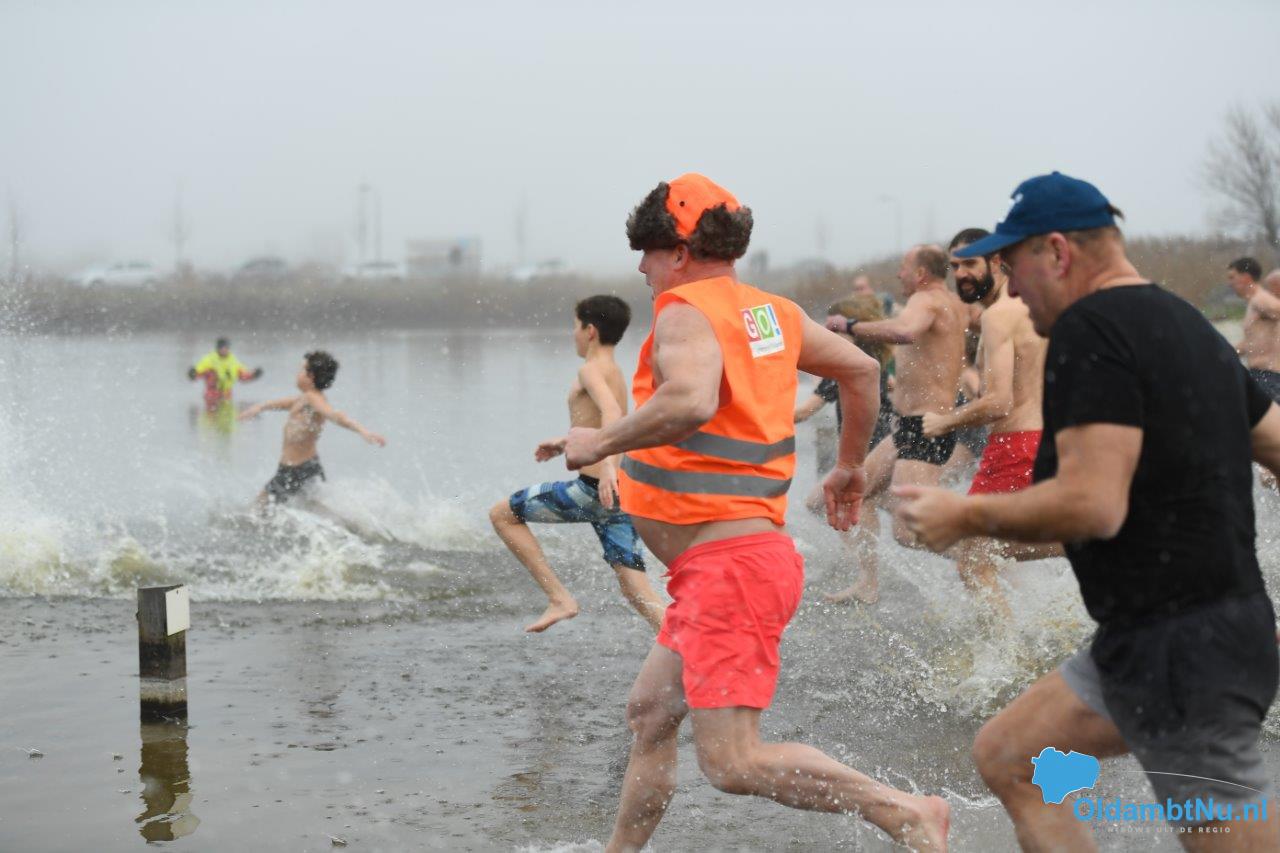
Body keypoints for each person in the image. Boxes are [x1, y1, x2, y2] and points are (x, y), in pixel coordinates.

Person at [563, 173, 949, 852]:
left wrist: (599, 441)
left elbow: (689, 399)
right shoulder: (769, 313)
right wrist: (850, 466)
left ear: (679, 250)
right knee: (651, 712)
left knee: (733, 761)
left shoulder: (684, 310)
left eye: (647, 252)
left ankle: (906, 811)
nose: (643, 268)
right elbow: (862, 371)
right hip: (726, 565)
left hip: (730, 568)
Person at [897, 172, 1280, 850]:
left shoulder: (1091, 328)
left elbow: (1093, 503)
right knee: (1008, 755)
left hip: (1181, 642)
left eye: (1013, 266)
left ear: (1056, 251)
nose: (1012, 290)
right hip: (1170, 631)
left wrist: (964, 517)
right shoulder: (1186, 322)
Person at [488, 296, 666, 634]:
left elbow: (613, 414)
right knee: (636, 590)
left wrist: (607, 467)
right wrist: (564, 442)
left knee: (502, 515)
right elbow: (607, 421)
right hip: (619, 494)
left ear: (590, 331)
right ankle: (686, 645)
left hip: (593, 489)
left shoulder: (590, 370)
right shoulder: (615, 372)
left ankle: (559, 598)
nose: (573, 334)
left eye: (575, 326)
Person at [917, 228, 1056, 613]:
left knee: (973, 560)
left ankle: (1005, 652)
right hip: (1042, 440)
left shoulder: (999, 316)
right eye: (955, 266)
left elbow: (998, 403)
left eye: (970, 264)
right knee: (983, 554)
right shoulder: (1033, 306)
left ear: (997, 262)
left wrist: (944, 422)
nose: (961, 274)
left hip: (1014, 446)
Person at [821, 244, 968, 604]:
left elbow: (905, 331)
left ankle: (978, 556)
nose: (899, 274)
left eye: (904, 267)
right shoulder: (951, 303)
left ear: (920, 273)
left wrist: (849, 325)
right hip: (908, 426)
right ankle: (868, 585)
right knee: (857, 492)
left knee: (907, 532)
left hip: (925, 427)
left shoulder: (926, 300)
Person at [238, 351, 386, 505]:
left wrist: (362, 431)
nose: (297, 374)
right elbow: (282, 403)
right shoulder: (304, 399)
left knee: (258, 510)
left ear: (310, 376)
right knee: (309, 510)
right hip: (304, 467)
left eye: (301, 370)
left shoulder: (313, 399)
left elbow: (334, 415)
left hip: (295, 470)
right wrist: (259, 407)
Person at [794, 294, 895, 475]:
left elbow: (804, 412)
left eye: (834, 330)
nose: (827, 336)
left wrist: (762, 421)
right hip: (884, 448)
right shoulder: (872, 362)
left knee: (820, 494)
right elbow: (891, 386)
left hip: (863, 456)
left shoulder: (844, 370)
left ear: (853, 332)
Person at [1229, 257, 1280, 402]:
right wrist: (1225, 353)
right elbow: (1251, 342)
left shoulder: (1260, 300)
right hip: (1261, 376)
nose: (1230, 283)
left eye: (1232, 277)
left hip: (1270, 378)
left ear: (1246, 278)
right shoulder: (1254, 302)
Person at [189, 337, 262, 411]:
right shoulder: (209, 360)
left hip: (227, 396)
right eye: (222, 347)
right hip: (211, 397)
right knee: (212, 415)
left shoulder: (233, 361)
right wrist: (192, 374)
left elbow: (243, 375)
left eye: (226, 347)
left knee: (230, 414)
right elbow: (198, 373)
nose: (224, 350)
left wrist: (254, 374)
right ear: (218, 348)